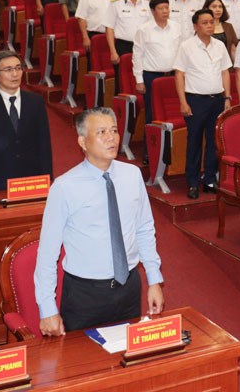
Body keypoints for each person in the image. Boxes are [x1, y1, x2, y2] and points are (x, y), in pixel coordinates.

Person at [34, 107, 164, 335]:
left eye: (114, 130)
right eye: (101, 132)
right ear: (82, 142)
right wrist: (47, 309)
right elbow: (47, 252)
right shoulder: (64, 187)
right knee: (83, 357)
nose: (111, 138)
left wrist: (154, 280)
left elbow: (144, 229)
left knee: (128, 354)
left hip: (129, 287)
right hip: (85, 294)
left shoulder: (132, 175)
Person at [0, 50, 53, 192]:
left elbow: (44, 144)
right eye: (8, 70)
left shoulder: (35, 102)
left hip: (32, 180)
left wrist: (48, 179)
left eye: (18, 68)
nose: (15, 74)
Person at [174, 9, 232, 199]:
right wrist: (183, 102)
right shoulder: (186, 46)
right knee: (195, 141)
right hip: (195, 100)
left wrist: (227, 97)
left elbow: (225, 72)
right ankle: (192, 182)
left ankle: (209, 179)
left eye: (211, 22)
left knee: (214, 141)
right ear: (195, 26)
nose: (209, 26)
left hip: (217, 99)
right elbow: (179, 75)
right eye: (205, 23)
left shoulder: (219, 45)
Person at [132, 0, 182, 124]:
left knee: (175, 109)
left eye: (167, 7)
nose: (165, 11)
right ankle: (151, 136)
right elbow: (137, 55)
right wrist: (139, 80)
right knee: (152, 111)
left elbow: (182, 52)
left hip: (173, 75)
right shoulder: (144, 30)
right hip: (152, 76)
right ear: (153, 11)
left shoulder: (176, 27)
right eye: (161, 8)